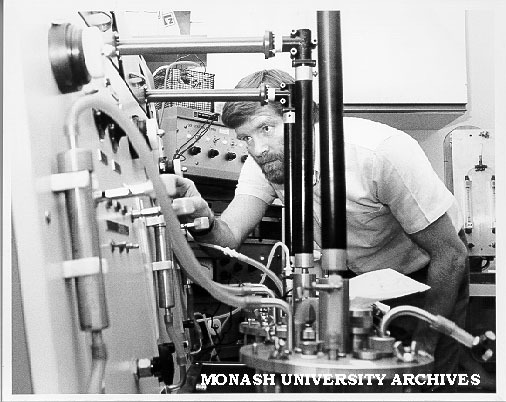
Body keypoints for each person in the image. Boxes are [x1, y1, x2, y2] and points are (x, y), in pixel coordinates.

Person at [167, 69, 469, 379]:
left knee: (425, 379)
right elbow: (228, 236)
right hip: (359, 280)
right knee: (357, 380)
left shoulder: (380, 152)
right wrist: (202, 219)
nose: (256, 149)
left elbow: (451, 255)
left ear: (299, 117)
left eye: (266, 128)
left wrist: (424, 345)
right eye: (245, 138)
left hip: (428, 274)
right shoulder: (265, 165)